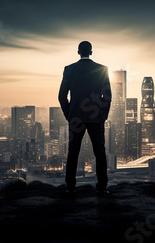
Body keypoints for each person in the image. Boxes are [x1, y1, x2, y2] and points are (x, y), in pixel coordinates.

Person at [58, 41, 112, 195]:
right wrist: (103, 115)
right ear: (91, 52)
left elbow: (62, 96)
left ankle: (70, 187)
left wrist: (69, 114)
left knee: (73, 152)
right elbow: (107, 96)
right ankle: (102, 187)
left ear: (78, 52)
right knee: (100, 152)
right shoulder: (102, 69)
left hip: (76, 117)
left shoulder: (69, 70)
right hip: (96, 117)